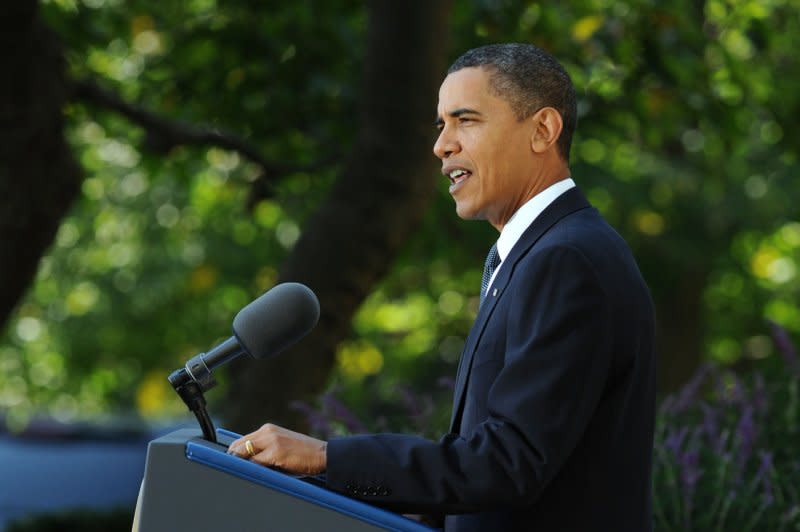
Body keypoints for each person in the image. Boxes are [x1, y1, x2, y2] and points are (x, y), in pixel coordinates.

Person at [228, 43, 656, 531]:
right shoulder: (534, 256)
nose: (441, 145)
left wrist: (329, 458)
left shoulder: (566, 260)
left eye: (466, 120)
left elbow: (509, 463)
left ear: (543, 130)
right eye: (441, 124)